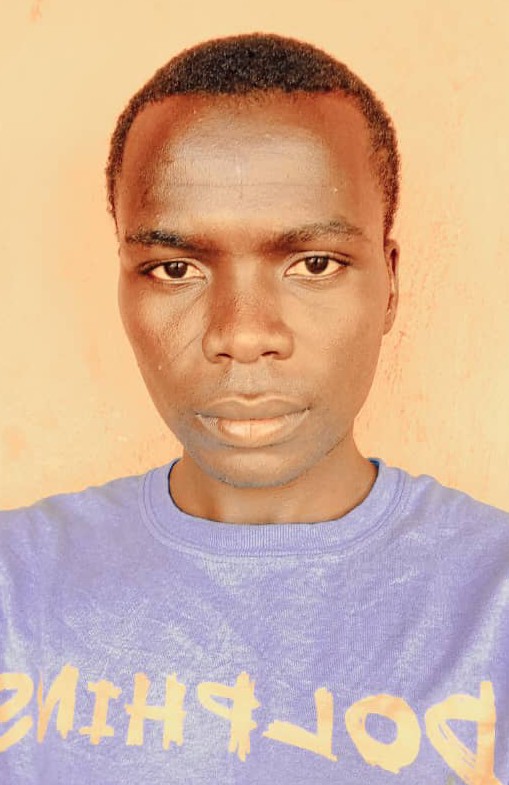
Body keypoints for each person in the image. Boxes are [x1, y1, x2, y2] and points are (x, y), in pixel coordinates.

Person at [0, 32, 507, 785]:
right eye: (175, 268)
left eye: (313, 264)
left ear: (391, 285)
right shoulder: (16, 588)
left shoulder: (492, 604)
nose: (241, 335)